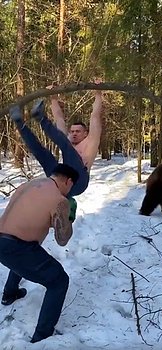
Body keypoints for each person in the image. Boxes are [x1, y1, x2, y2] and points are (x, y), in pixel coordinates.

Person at [0, 163, 78, 343]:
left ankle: (9, 294)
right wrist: (69, 217)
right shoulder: (60, 200)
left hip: (3, 239)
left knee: (28, 258)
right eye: (71, 187)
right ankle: (42, 335)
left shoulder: (30, 184)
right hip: (17, 247)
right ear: (68, 181)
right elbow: (62, 239)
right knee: (59, 281)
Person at [9, 81, 103, 199]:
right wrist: (53, 96)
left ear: (85, 134)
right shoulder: (66, 139)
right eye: (72, 131)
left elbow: (95, 116)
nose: (74, 134)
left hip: (78, 182)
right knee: (42, 154)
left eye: (78, 131)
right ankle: (19, 122)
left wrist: (98, 93)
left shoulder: (90, 143)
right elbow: (59, 117)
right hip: (59, 182)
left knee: (66, 145)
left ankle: (41, 118)